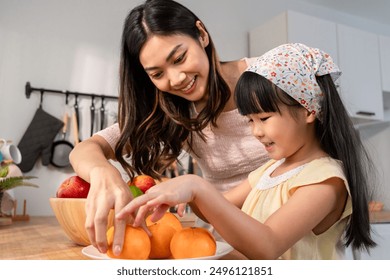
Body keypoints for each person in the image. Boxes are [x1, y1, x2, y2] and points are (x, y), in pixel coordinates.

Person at [117, 43, 377, 259]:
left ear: (308, 110)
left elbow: (267, 246)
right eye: (249, 120)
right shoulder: (272, 169)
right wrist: (176, 195)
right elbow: (216, 209)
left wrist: (197, 186)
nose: (256, 132)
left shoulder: (325, 180)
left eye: (263, 118)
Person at [69, 0, 269, 256]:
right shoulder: (173, 109)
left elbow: (310, 160)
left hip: (289, 239)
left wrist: (200, 194)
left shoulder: (266, 77)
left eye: (179, 58)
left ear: (202, 34)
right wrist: (102, 172)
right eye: (157, 74)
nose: (176, 79)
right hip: (218, 247)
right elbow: (85, 149)